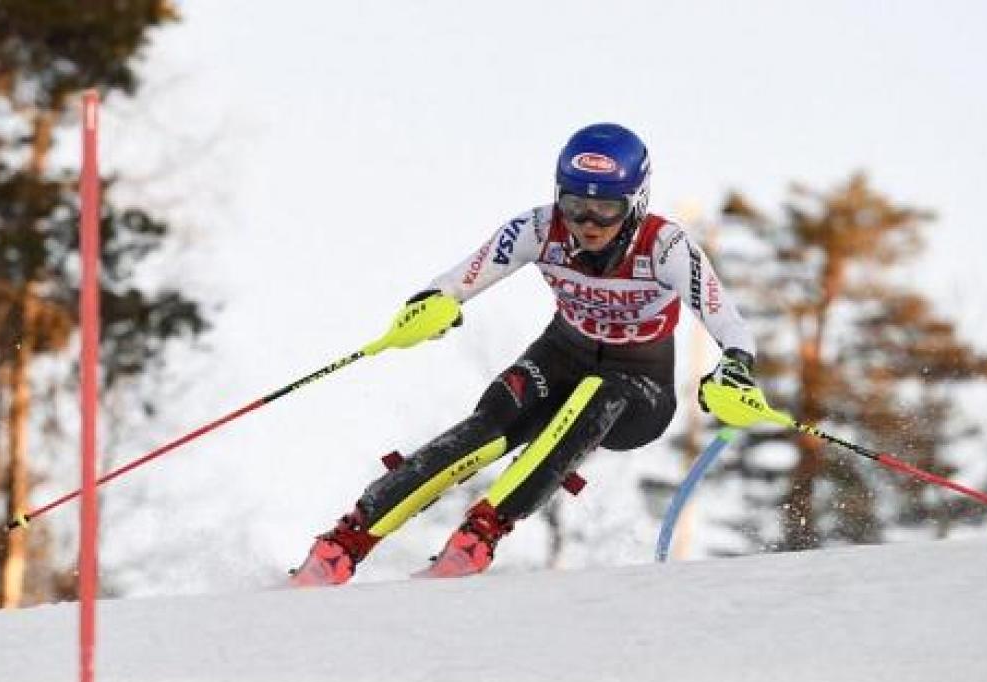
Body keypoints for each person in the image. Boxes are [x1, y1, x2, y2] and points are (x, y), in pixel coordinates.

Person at [289, 122, 757, 586]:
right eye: (575, 206)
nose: (588, 224)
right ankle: (344, 542)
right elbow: (458, 280)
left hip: (640, 389)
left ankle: (481, 533)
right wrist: (432, 304)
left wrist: (735, 368)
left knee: (600, 392)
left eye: (605, 209)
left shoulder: (666, 247)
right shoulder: (537, 228)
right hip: (561, 357)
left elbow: (730, 324)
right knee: (493, 421)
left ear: (635, 203)